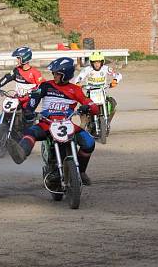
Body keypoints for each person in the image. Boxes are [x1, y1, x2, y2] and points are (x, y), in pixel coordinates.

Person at [7, 57, 98, 185]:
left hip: (67, 124)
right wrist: (29, 110)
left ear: (65, 75)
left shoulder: (75, 90)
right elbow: (34, 97)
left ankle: (81, 172)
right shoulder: (45, 86)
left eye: (57, 74)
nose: (53, 75)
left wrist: (90, 107)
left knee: (89, 143)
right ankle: (21, 152)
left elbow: (90, 104)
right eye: (53, 73)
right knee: (30, 132)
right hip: (46, 123)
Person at [73, 51, 122, 123]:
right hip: (90, 92)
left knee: (112, 104)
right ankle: (83, 124)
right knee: (82, 108)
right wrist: (77, 83)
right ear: (91, 62)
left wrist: (115, 81)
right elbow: (78, 78)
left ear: (102, 62)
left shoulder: (106, 69)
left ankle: (108, 122)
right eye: (94, 62)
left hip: (102, 92)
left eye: (98, 62)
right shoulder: (87, 69)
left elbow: (118, 75)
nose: (96, 64)